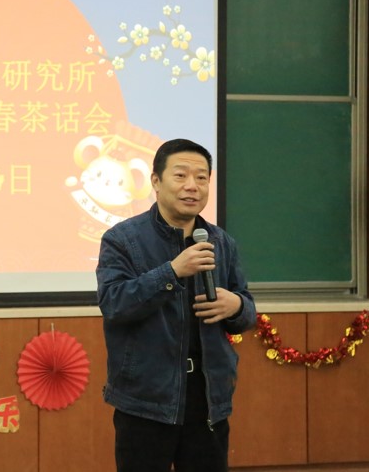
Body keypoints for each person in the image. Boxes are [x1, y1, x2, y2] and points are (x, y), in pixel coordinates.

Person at [96, 138, 256, 472]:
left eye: (201, 178)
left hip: (208, 398)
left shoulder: (221, 242)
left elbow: (246, 314)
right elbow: (114, 303)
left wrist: (237, 306)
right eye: (181, 175)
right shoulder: (122, 239)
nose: (192, 186)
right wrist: (172, 272)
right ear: (156, 181)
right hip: (146, 401)